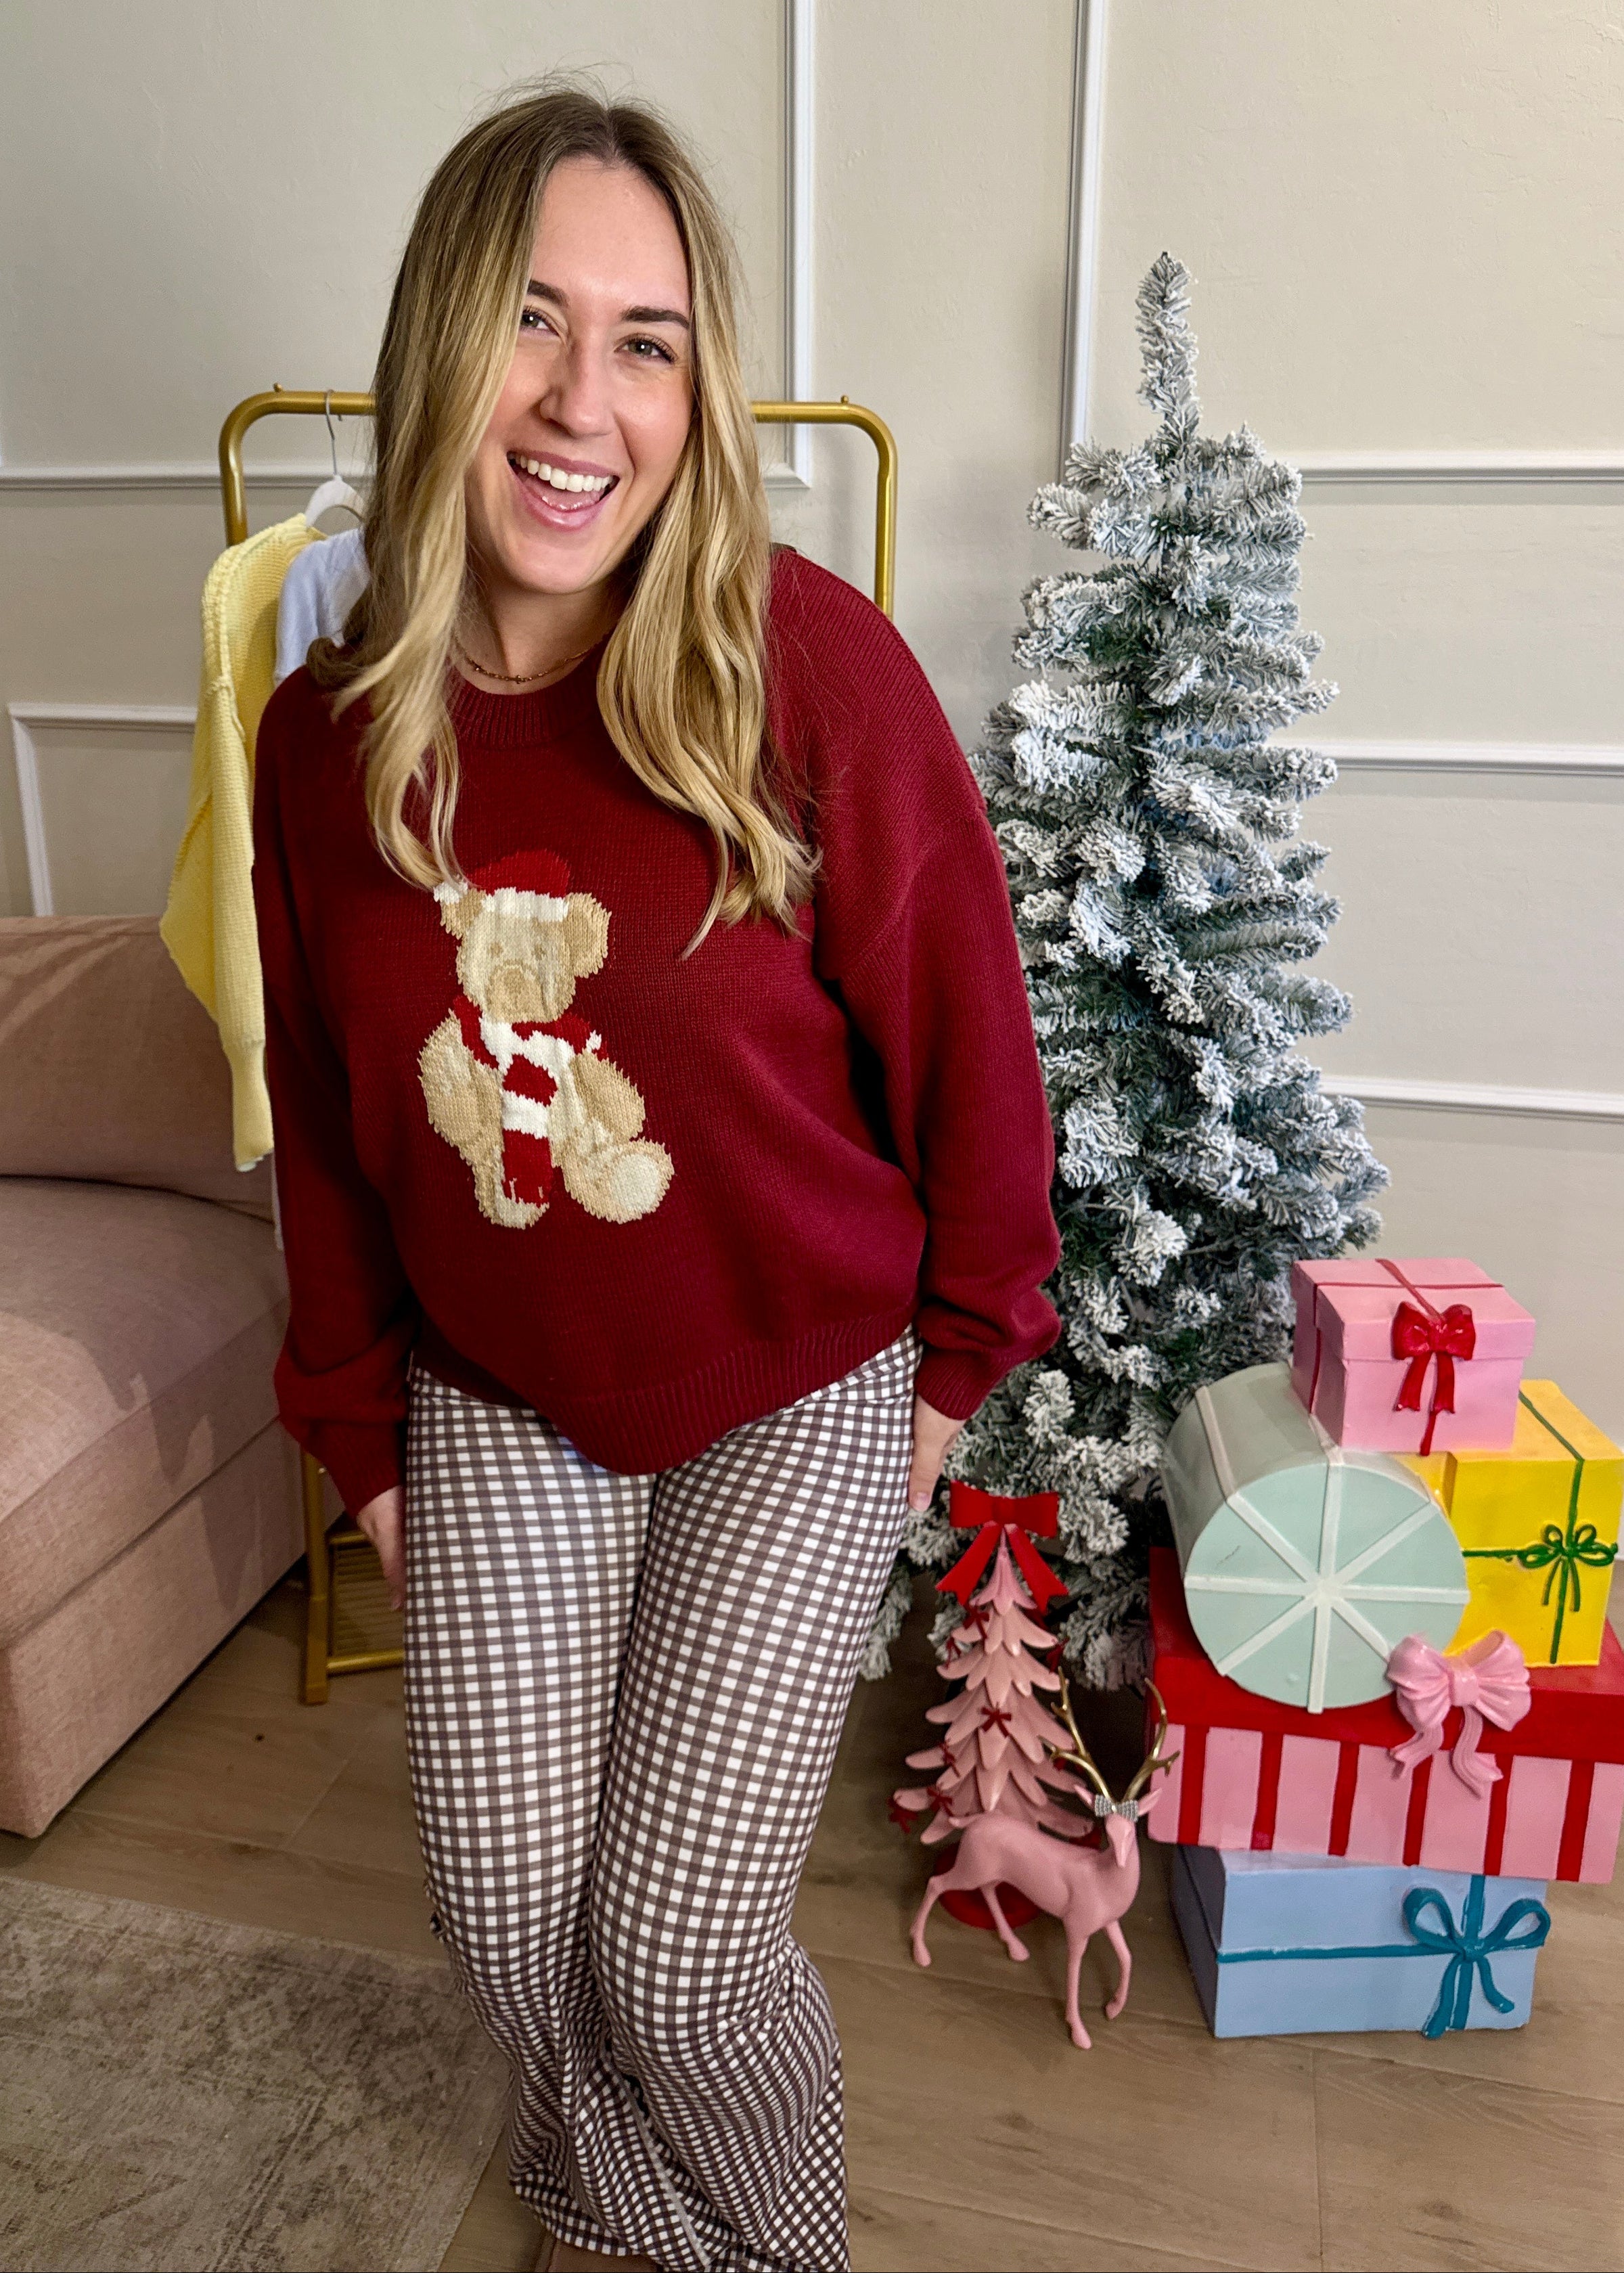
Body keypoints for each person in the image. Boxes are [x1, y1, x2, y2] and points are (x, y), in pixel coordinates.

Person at [254, 83, 1059, 2273]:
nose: (578, 402)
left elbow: (974, 1050)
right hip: (500, 1395)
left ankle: (783, 2253)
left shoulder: (803, 668)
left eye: (647, 342)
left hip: (801, 1383)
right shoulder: (323, 737)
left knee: (682, 1962)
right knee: (510, 1932)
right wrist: (365, 1442)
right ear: (440, 345)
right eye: (531, 320)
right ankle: (640, 2231)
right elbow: (326, 1121)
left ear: (699, 399)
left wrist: (946, 1378)